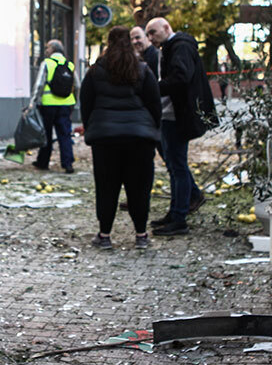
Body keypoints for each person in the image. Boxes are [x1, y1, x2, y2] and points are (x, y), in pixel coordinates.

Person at [80, 26, 162, 250]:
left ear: (108, 43)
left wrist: (92, 128)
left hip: (105, 139)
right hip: (140, 139)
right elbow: (155, 103)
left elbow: (85, 103)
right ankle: (141, 235)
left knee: (106, 187)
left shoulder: (95, 71)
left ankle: (104, 235)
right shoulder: (142, 69)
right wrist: (152, 129)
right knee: (140, 188)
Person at [145, 17, 219, 236]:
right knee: (174, 165)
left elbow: (180, 78)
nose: (151, 38)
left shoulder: (181, 47)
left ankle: (179, 218)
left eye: (153, 32)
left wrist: (153, 89)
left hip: (177, 116)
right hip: (172, 115)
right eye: (148, 34)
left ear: (167, 28)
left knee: (177, 166)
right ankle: (176, 212)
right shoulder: (172, 47)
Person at [30, 40, 78, 173]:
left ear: (52, 49)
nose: (46, 50)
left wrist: (33, 101)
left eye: (47, 47)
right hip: (65, 105)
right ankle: (68, 164)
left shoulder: (47, 64)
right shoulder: (70, 65)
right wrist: (74, 102)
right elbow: (77, 85)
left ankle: (43, 162)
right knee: (65, 135)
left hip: (48, 105)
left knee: (47, 135)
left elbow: (39, 84)